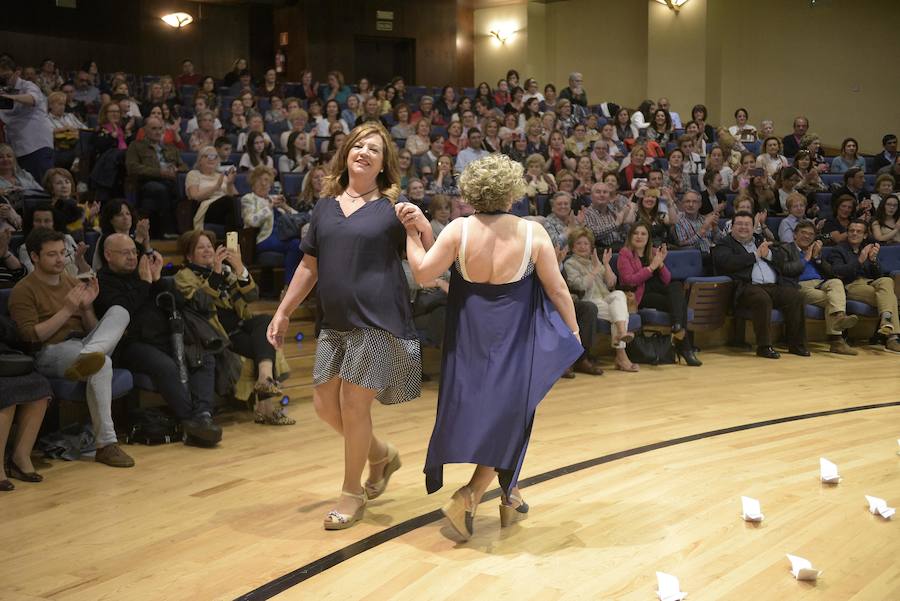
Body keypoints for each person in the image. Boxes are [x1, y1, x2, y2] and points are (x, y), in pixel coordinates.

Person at [403, 152, 582, 540]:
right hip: (515, 340)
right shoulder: (532, 232)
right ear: (512, 190)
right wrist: (573, 330)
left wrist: (412, 236)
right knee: (512, 416)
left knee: (500, 415)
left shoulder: (457, 229)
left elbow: (421, 273)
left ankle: (511, 496)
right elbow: (557, 289)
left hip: (468, 340)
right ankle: (469, 496)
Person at [266, 122, 427, 530]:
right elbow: (308, 266)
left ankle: (351, 493)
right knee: (324, 406)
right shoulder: (324, 207)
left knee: (355, 407)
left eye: (375, 149)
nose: (365, 152)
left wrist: (420, 223)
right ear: (346, 153)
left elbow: (423, 254)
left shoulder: (394, 207)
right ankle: (381, 453)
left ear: (382, 164)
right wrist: (283, 311)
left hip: (378, 321)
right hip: (335, 323)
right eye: (359, 145)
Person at [9, 228, 135, 467]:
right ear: (35, 256)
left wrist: (87, 308)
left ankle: (89, 356)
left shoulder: (69, 280)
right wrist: (66, 310)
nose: (60, 260)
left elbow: (91, 329)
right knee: (103, 362)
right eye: (52, 255)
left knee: (120, 312)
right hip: (50, 351)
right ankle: (106, 445)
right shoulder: (23, 290)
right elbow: (31, 337)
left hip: (82, 345)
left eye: (63, 253)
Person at [95, 233, 221, 444]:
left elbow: (179, 302)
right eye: (125, 253)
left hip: (167, 337)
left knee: (204, 357)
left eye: (134, 252)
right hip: (130, 344)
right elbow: (121, 310)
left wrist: (158, 279)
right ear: (108, 255)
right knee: (166, 366)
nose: (132, 257)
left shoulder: (143, 274)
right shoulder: (102, 282)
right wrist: (145, 283)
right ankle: (190, 420)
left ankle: (203, 415)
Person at [176, 230, 294, 424]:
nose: (207, 250)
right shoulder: (184, 276)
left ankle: (265, 380)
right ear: (189, 255)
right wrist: (215, 273)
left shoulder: (225, 271)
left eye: (209, 246)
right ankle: (267, 409)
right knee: (263, 344)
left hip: (241, 326)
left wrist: (239, 267)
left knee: (265, 322)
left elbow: (252, 296)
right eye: (201, 247)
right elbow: (201, 304)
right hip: (216, 334)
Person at [711, 211, 808, 359]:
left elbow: (780, 259)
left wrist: (768, 254)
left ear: (753, 226)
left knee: (796, 296)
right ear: (732, 227)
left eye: (747, 224)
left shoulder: (759, 240)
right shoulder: (724, 244)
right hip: (744, 287)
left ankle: (796, 344)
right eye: (739, 224)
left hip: (772, 286)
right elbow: (728, 263)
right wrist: (755, 256)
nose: (744, 227)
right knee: (761, 298)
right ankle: (764, 346)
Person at [618, 222, 700, 365]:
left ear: (648, 237)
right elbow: (629, 281)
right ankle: (685, 347)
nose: (639, 236)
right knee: (680, 305)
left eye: (643, 233)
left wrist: (660, 263)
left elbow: (667, 279)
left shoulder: (654, 252)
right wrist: (651, 267)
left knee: (676, 285)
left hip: (659, 289)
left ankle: (677, 327)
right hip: (641, 294)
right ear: (630, 236)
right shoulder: (625, 254)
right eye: (636, 233)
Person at [564, 227, 637, 373]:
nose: (583, 247)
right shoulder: (570, 264)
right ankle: (621, 355)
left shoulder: (595, 262)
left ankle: (621, 332)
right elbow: (579, 285)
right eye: (579, 244)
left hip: (605, 298)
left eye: (586, 244)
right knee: (620, 315)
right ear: (572, 247)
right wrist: (596, 269)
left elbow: (611, 283)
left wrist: (606, 265)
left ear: (591, 247)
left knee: (619, 295)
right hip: (589, 301)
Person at [823, 220, 900, 352]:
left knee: (887, 281)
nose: (854, 233)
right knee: (890, 297)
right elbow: (838, 272)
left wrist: (874, 260)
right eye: (851, 231)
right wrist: (860, 260)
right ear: (847, 233)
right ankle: (892, 337)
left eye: (858, 231)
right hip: (851, 285)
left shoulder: (868, 248)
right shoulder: (838, 250)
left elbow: (879, 275)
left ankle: (886, 319)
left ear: (864, 235)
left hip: (870, 283)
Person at [785, 220, 859, 355]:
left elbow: (831, 272)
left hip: (820, 283)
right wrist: (806, 259)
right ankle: (836, 340)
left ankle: (840, 316)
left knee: (836, 282)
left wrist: (818, 257)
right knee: (834, 301)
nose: (807, 236)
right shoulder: (785, 249)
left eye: (810, 234)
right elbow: (786, 271)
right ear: (795, 234)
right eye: (803, 233)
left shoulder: (815, 250)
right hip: (799, 286)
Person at [0, 307, 51, 491]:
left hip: (5, 359)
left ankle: (20, 457)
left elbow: (14, 332)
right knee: (6, 392)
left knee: (40, 386)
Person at [125, 116, 188, 238]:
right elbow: (133, 168)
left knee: (173, 191)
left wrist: (176, 170)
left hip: (170, 180)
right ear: (145, 130)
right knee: (160, 190)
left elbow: (184, 166)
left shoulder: (170, 147)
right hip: (147, 181)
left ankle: (158, 232)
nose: (158, 132)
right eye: (154, 128)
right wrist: (160, 172)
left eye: (160, 128)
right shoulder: (136, 146)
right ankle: (168, 229)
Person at [241, 165, 302, 289]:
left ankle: (293, 287)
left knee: (301, 243)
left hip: (282, 236)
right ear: (253, 182)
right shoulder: (248, 199)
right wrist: (269, 206)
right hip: (264, 238)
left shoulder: (274, 199)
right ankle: (289, 287)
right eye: (260, 180)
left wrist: (285, 207)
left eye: (267, 181)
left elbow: (299, 218)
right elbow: (252, 221)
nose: (264, 184)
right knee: (296, 244)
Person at [0, 55, 54, 182]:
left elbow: (32, 99)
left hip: (36, 146)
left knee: (42, 186)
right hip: (17, 148)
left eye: (6, 77)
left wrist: (10, 97)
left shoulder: (28, 85)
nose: (3, 81)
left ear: (17, 72)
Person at [18, 203, 91, 276]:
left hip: (77, 284)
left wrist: (80, 259)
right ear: (32, 224)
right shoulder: (25, 248)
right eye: (38, 221)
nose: (42, 225)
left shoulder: (67, 239)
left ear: (54, 223)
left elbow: (88, 274)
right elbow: (34, 275)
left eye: (47, 221)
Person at [186, 146, 240, 232]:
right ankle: (237, 240)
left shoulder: (221, 175)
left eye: (214, 156)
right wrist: (216, 187)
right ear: (200, 160)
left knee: (233, 211)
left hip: (226, 207)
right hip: (206, 208)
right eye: (207, 156)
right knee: (229, 202)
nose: (211, 159)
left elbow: (237, 198)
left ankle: (232, 242)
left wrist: (230, 184)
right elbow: (194, 196)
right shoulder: (193, 174)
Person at [92, 199, 150, 271]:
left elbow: (148, 263)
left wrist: (146, 244)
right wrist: (139, 239)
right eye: (119, 215)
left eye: (128, 214)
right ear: (111, 220)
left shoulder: (132, 237)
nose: (125, 218)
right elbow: (127, 266)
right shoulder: (107, 240)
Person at [579, 181, 634, 249]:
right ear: (591, 196)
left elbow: (626, 235)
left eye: (605, 192)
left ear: (609, 196)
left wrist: (625, 221)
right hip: (601, 252)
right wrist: (616, 224)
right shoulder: (586, 213)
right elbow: (592, 234)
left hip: (621, 248)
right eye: (598, 192)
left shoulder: (614, 211)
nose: (602, 195)